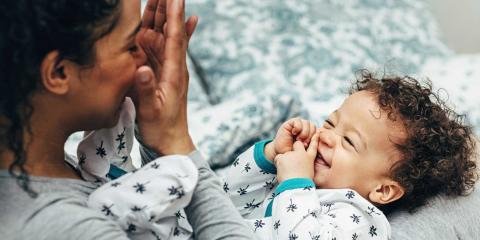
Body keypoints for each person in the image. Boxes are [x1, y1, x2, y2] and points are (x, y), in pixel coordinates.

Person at [0, 0, 256, 239]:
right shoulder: (69, 227)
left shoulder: (40, 165)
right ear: (59, 72)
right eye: (131, 47)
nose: (142, 60)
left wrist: (155, 137)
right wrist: (179, 147)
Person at [221, 72, 478, 239]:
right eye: (330, 123)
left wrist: (294, 184)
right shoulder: (294, 177)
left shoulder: (358, 220)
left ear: (383, 190)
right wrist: (271, 155)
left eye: (348, 141)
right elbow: (227, 198)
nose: (326, 136)